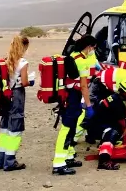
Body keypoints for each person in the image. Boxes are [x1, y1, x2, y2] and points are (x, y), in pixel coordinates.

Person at [51, 36, 95, 176]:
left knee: (72, 126)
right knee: (67, 128)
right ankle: (59, 163)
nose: (93, 50)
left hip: (69, 96)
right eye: (93, 47)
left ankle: (68, 156)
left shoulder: (73, 56)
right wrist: (89, 105)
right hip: (73, 97)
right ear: (88, 47)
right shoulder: (81, 61)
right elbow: (83, 86)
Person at [0, 35, 34, 171]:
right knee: (15, 129)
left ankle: (1, 160)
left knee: (5, 129)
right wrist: (31, 81)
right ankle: (10, 161)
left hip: (5, 96)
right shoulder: (22, 62)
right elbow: (24, 82)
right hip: (16, 96)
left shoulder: (7, 61)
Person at [86, 80, 126, 170]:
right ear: (125, 92)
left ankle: (105, 146)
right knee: (113, 133)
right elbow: (123, 123)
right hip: (97, 127)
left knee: (116, 130)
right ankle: (104, 161)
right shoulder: (116, 102)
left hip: (101, 123)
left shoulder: (116, 98)